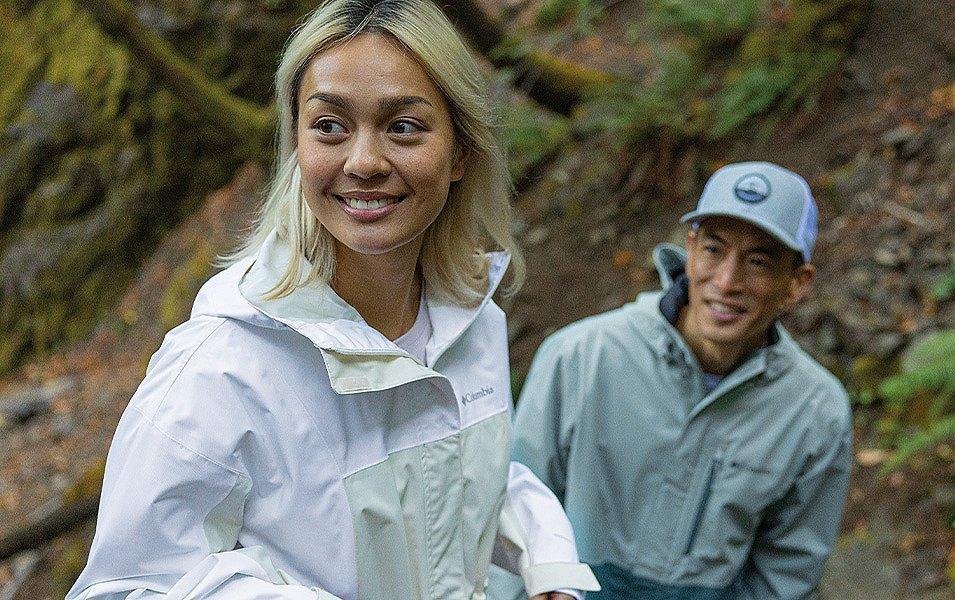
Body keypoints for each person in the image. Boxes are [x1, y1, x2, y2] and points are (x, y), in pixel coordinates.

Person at [66, 1, 600, 598]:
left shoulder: (470, 318)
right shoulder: (220, 370)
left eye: (403, 126)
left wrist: (548, 565)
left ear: (461, 154)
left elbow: (473, 480)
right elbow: (123, 587)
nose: (365, 162)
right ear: (296, 146)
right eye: (329, 126)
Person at [487, 162, 852, 599]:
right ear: (691, 248)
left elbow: (786, 572)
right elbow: (512, 518)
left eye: (758, 261)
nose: (727, 281)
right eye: (714, 250)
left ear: (796, 283)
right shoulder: (582, 357)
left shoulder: (815, 411)